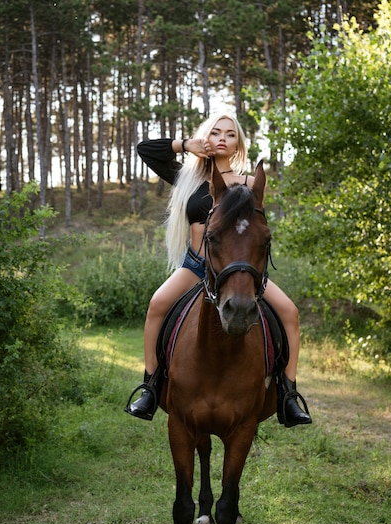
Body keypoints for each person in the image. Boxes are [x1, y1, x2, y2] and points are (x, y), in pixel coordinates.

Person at [125, 113, 312, 428]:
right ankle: (152, 385)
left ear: (238, 142)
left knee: (290, 313)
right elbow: (147, 149)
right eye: (215, 132)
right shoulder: (188, 177)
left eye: (230, 134)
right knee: (157, 304)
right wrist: (186, 145)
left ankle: (287, 393)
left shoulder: (248, 184)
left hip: (238, 269)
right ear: (206, 138)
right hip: (196, 266)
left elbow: (253, 230)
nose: (222, 138)